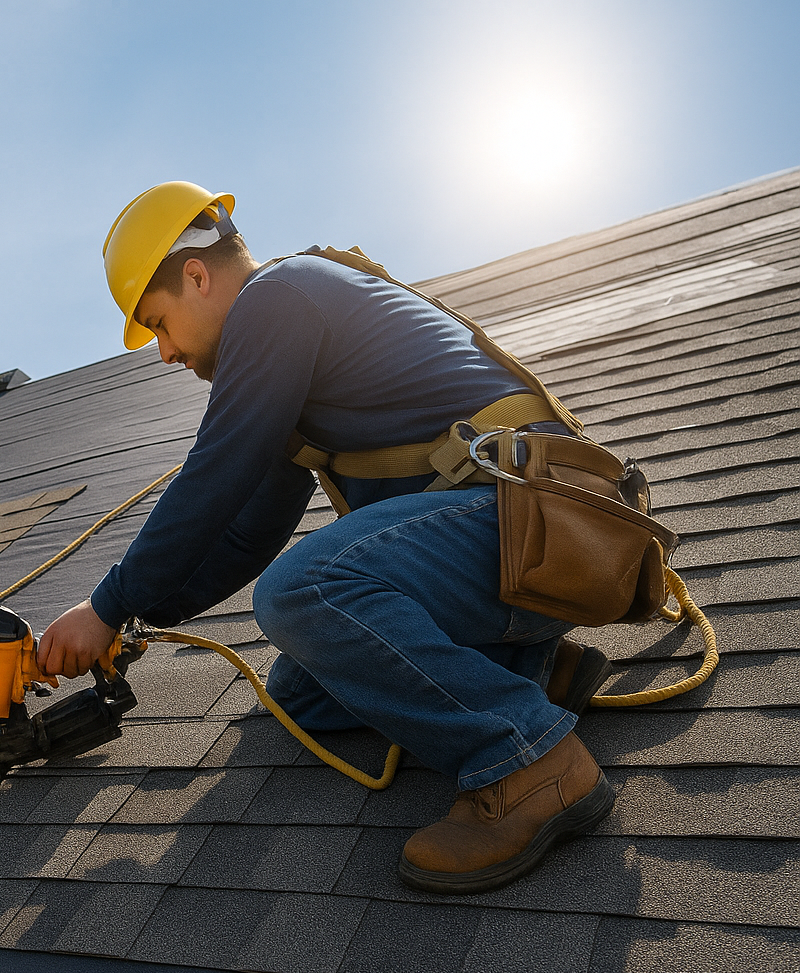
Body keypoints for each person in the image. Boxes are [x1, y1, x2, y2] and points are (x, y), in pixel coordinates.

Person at [35, 182, 615, 894]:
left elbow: (216, 469)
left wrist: (104, 603)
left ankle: (529, 762)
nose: (163, 353)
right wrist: (134, 617)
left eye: (159, 323)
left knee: (300, 592)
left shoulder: (278, 300)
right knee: (303, 689)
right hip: (519, 551)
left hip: (545, 527)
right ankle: (531, 672)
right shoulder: (294, 342)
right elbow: (251, 527)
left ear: (195, 275)